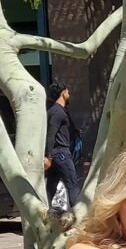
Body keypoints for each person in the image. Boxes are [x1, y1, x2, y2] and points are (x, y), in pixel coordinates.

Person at [44, 81, 81, 210]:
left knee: (51, 185)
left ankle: (47, 210)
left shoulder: (57, 111)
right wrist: (48, 157)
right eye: (67, 91)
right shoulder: (57, 112)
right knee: (72, 183)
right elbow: (51, 134)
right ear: (63, 93)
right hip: (60, 153)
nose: (69, 94)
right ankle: (78, 215)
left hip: (57, 154)